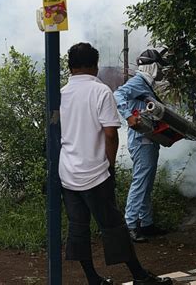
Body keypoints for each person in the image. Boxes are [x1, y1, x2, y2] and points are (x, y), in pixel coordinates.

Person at [59, 42, 172, 285]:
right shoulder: (100, 92)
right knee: (114, 228)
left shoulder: (61, 93)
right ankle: (140, 277)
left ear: (70, 67)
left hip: (67, 174)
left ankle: (93, 279)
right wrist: (109, 167)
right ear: (94, 66)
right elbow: (110, 134)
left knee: (78, 228)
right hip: (95, 173)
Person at [113, 49, 168, 243]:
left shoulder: (146, 85)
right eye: (160, 65)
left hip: (148, 139)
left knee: (146, 183)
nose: (162, 70)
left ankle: (146, 224)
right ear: (152, 66)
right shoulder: (137, 82)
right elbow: (117, 94)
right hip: (141, 140)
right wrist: (129, 116)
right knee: (140, 182)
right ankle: (130, 226)